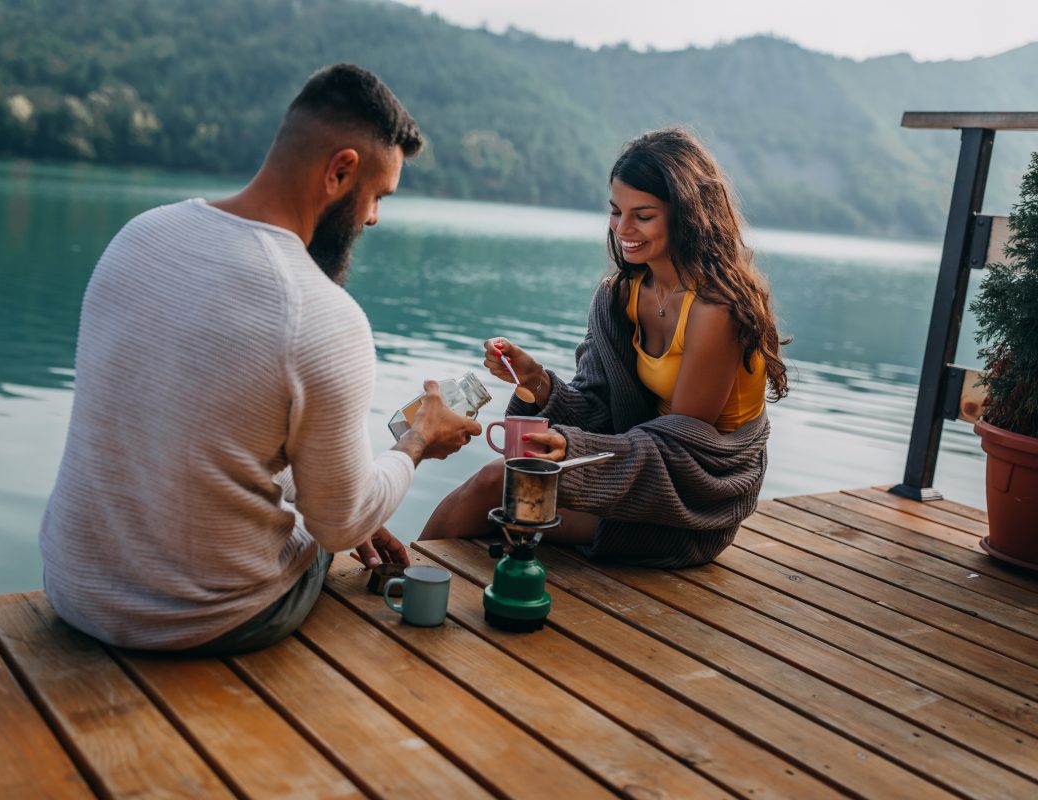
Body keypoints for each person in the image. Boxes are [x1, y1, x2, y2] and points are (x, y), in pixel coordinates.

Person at [39, 64, 481, 654]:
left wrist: (331, 494)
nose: (374, 217)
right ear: (340, 170)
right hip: (208, 620)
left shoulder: (139, 237)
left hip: (76, 592)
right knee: (333, 518)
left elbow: (198, 435)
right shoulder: (322, 313)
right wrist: (418, 441)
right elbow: (342, 526)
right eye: (376, 196)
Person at [421, 128, 788, 567]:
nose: (623, 228)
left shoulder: (716, 309)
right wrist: (536, 381)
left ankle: (402, 578)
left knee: (496, 485)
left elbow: (684, 453)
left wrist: (572, 451)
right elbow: (600, 408)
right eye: (616, 211)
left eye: (643, 215)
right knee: (496, 487)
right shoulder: (621, 297)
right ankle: (405, 577)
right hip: (635, 475)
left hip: (692, 506)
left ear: (687, 215)